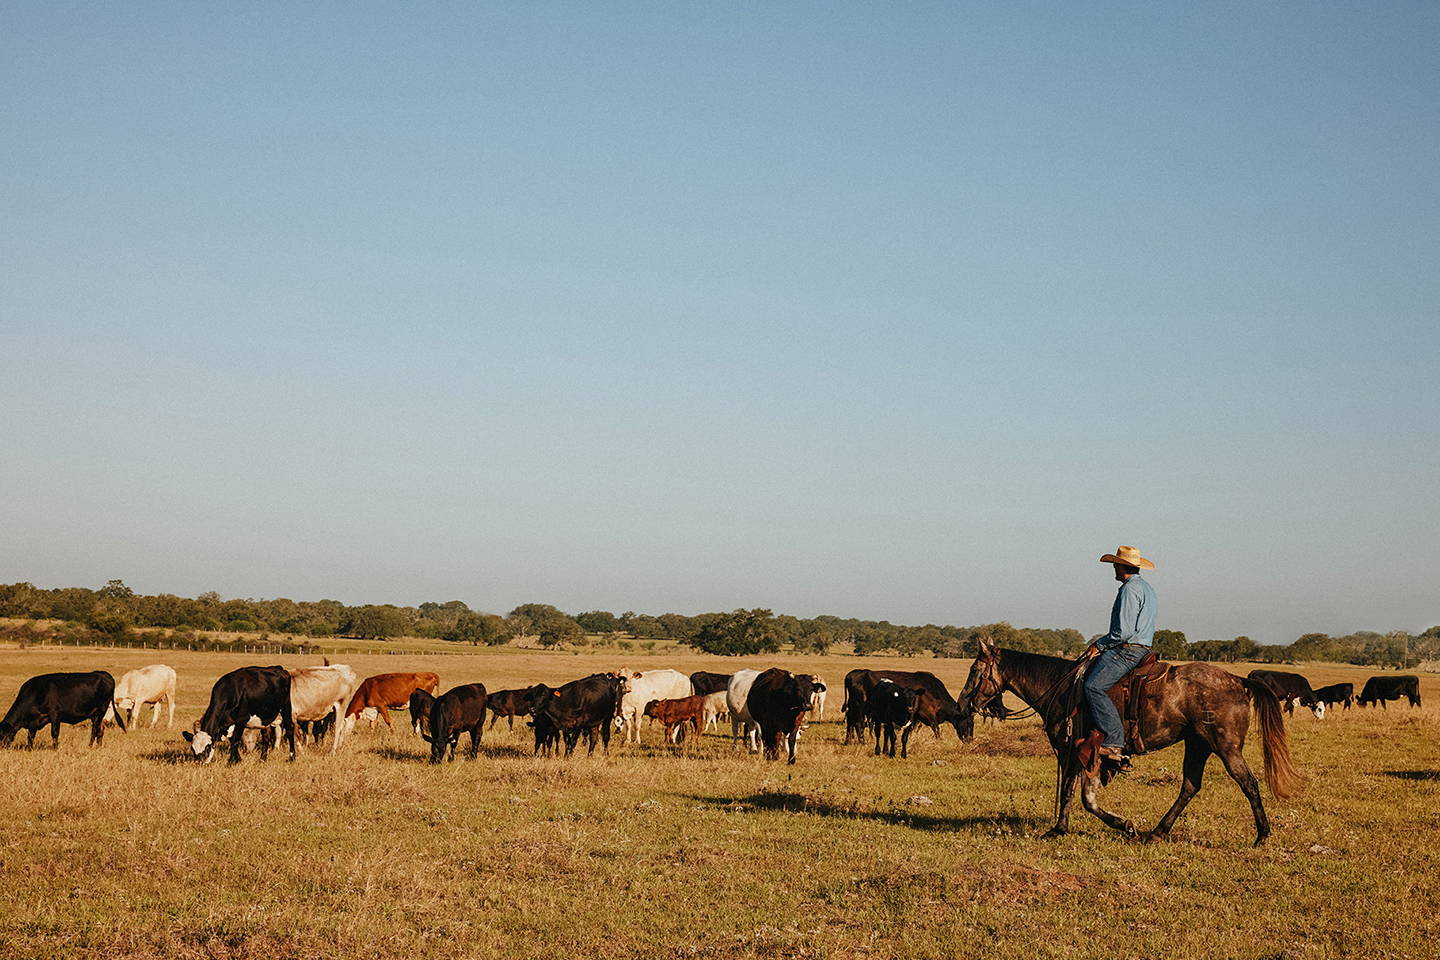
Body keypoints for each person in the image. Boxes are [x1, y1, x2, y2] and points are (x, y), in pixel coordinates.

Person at [1083, 545, 1156, 761]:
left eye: (1115, 564)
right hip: (1143, 647)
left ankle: (1114, 740)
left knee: (1092, 686)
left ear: (1120, 566)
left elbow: (1123, 632)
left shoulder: (1129, 589)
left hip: (1129, 649)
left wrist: (1099, 645)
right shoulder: (1146, 588)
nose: (1114, 568)